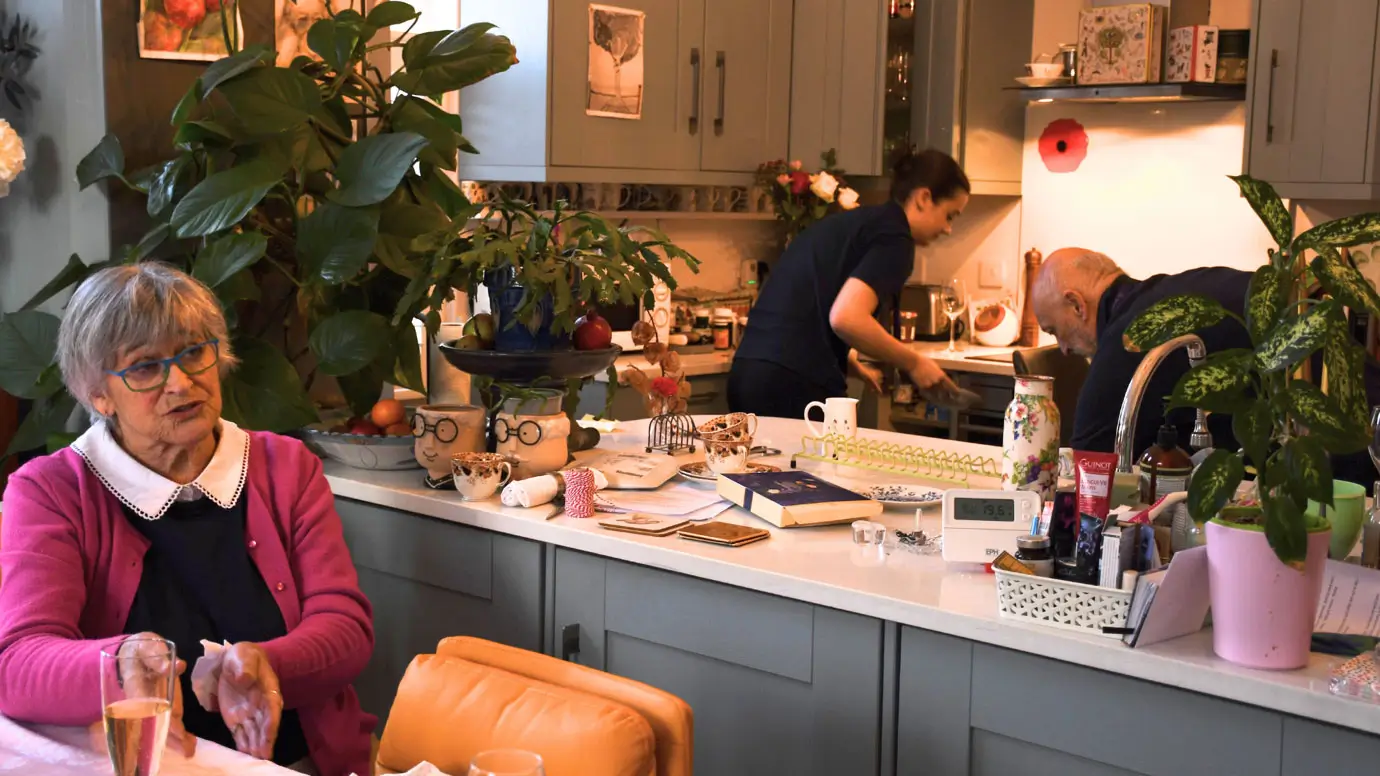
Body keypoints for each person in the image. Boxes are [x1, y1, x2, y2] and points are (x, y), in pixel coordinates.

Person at [0, 263, 374, 776]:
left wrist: (269, 664)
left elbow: (346, 630)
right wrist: (120, 662)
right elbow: (17, 665)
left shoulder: (286, 468)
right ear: (99, 394)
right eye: (144, 367)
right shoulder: (53, 490)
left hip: (294, 764)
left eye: (194, 352)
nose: (181, 382)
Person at [729, 149, 969, 419]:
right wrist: (914, 363)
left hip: (749, 373)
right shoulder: (895, 238)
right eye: (950, 215)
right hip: (792, 384)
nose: (948, 229)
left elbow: (812, 306)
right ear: (924, 198)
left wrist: (851, 363)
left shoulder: (857, 223)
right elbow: (846, 318)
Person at [1030, 248, 1252, 457]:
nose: (1064, 349)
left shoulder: (1128, 342)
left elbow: (1089, 470)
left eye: (1054, 330)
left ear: (1076, 305)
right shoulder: (1165, 291)